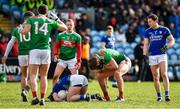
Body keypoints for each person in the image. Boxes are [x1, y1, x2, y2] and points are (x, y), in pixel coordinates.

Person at [21, 4, 67, 105]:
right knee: (44, 76)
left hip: (34, 50)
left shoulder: (31, 20)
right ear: (46, 12)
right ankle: (42, 98)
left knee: (32, 75)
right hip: (46, 50)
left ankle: (34, 97)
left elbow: (24, 32)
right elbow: (65, 28)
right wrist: (57, 19)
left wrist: (23, 27)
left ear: (38, 11)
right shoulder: (50, 21)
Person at [1, 11, 34, 102]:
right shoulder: (32, 27)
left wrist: (5, 55)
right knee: (33, 76)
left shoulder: (17, 29)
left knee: (24, 75)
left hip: (21, 55)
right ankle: (27, 92)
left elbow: (11, 43)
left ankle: (23, 94)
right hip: (31, 54)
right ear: (30, 18)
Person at [143, 14, 175, 102]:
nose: (148, 23)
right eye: (148, 22)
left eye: (150, 21)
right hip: (152, 55)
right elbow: (146, 44)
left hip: (162, 55)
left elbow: (172, 40)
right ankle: (159, 96)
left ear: (155, 21)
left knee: (164, 74)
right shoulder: (147, 31)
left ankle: (167, 95)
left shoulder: (164, 29)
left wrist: (166, 47)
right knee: (155, 77)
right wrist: (144, 54)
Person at [52, 19, 81, 86]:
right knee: (55, 77)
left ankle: (76, 93)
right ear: (66, 25)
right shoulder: (60, 35)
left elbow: (79, 50)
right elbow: (56, 46)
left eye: (71, 25)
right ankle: (53, 92)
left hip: (72, 60)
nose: (69, 26)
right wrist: (55, 54)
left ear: (73, 26)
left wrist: (79, 61)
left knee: (77, 79)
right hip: (62, 59)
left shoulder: (77, 37)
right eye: (67, 25)